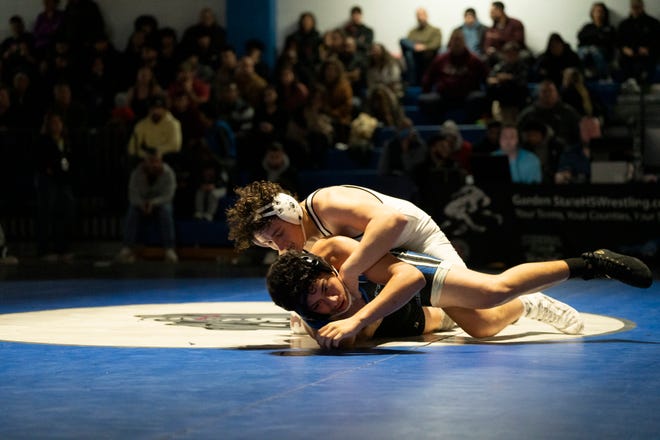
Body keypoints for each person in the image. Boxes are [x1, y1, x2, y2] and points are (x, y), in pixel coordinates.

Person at [226, 180, 571, 336]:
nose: (281, 248)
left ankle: (530, 301)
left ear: (288, 212)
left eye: (281, 236)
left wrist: (350, 270)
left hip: (415, 238)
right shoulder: (307, 246)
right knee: (478, 327)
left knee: (482, 312)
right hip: (388, 258)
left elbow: (394, 221)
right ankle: (516, 306)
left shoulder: (325, 203)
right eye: (271, 245)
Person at [266, 236, 652, 348]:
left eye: (326, 289)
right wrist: (337, 326)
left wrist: (358, 315)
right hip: (393, 303)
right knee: (481, 329)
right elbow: (344, 338)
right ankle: (526, 307)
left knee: (492, 290)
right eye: (317, 305)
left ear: (329, 268)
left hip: (404, 265)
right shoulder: (309, 305)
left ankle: (592, 262)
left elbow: (409, 278)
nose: (330, 301)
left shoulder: (336, 250)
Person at [116, 151, 178, 263]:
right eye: (150, 162)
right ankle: (127, 248)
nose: (153, 165)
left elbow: (168, 195)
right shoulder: (136, 173)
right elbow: (132, 194)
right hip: (142, 204)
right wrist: (141, 204)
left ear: (161, 162)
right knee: (132, 211)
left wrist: (152, 203)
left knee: (166, 211)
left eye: (156, 162)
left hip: (160, 203)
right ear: (145, 163)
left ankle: (169, 249)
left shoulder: (168, 173)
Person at [418, 29, 489, 123]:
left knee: (479, 98)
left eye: (459, 40)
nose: (457, 43)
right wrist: (426, 90)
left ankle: (469, 124)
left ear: (464, 42)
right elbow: (428, 78)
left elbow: (486, 77)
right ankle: (439, 126)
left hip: (467, 97)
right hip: (444, 97)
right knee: (425, 100)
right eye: (454, 40)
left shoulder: (474, 60)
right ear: (450, 42)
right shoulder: (440, 60)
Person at [517, 80, 582, 148]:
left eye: (551, 91)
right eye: (544, 91)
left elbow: (579, 133)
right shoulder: (528, 114)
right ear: (538, 94)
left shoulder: (569, 112)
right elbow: (517, 134)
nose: (548, 94)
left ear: (556, 93)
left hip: (564, 152)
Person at [616, 0, 660, 86]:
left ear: (642, 7)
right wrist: (624, 49)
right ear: (630, 7)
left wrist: (649, 49)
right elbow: (618, 42)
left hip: (648, 56)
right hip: (628, 57)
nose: (635, 9)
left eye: (638, 6)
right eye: (633, 7)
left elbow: (658, 41)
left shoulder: (653, 23)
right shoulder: (624, 24)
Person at [127, 95, 182, 161]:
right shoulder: (142, 124)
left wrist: (157, 152)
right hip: (146, 159)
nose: (155, 112)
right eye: (153, 109)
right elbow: (132, 147)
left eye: (159, 108)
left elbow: (175, 146)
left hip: (166, 159)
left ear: (165, 109)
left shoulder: (173, 124)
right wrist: (145, 155)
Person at [399, 7, 443, 86]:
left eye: (422, 15)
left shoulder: (435, 30)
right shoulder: (412, 31)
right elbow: (407, 43)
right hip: (414, 55)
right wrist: (415, 47)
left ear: (426, 16)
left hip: (427, 56)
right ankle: (413, 84)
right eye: (418, 15)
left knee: (410, 53)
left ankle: (413, 83)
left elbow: (437, 44)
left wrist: (424, 47)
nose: (420, 17)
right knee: (403, 41)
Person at [576, 2, 617, 80]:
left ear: (605, 13)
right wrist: (598, 37)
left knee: (594, 49)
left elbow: (609, 42)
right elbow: (580, 38)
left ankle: (604, 78)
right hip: (586, 51)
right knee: (584, 51)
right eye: (596, 11)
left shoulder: (609, 28)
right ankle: (581, 78)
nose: (599, 13)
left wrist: (592, 39)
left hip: (603, 53)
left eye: (601, 11)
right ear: (592, 13)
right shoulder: (587, 27)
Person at [482, 1, 527, 66]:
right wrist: (487, 49)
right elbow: (487, 43)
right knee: (484, 59)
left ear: (499, 11)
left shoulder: (515, 23)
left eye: (492, 12)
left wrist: (499, 37)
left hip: (514, 53)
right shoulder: (493, 28)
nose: (490, 15)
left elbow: (519, 41)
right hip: (497, 54)